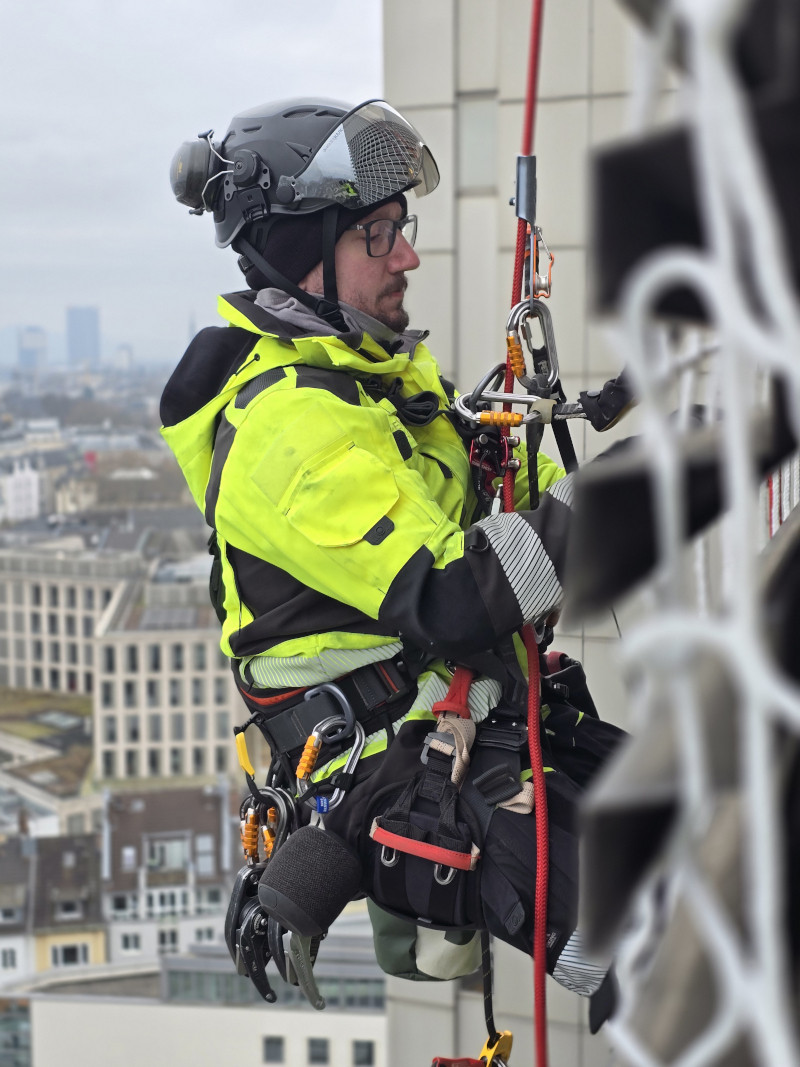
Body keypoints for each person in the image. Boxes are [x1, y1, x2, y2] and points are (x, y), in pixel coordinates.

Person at [162, 98, 623, 1014]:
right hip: (413, 781)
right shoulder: (291, 429)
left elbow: (505, 500)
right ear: (305, 254)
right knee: (683, 951)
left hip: (479, 739)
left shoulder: (380, 388)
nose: (407, 255)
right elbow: (456, 591)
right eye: (378, 235)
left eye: (400, 229)